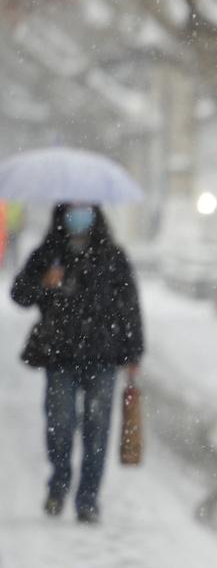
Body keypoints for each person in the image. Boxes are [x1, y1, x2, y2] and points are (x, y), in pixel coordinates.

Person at [11, 203, 144, 523]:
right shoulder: (48, 254)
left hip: (102, 355)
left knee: (97, 431)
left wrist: (132, 353)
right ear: (61, 213)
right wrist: (45, 281)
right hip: (60, 355)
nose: (79, 217)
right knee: (60, 426)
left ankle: (87, 499)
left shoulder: (112, 256)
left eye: (85, 210)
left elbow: (129, 306)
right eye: (73, 210)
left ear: (96, 214)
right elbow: (19, 294)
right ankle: (58, 485)